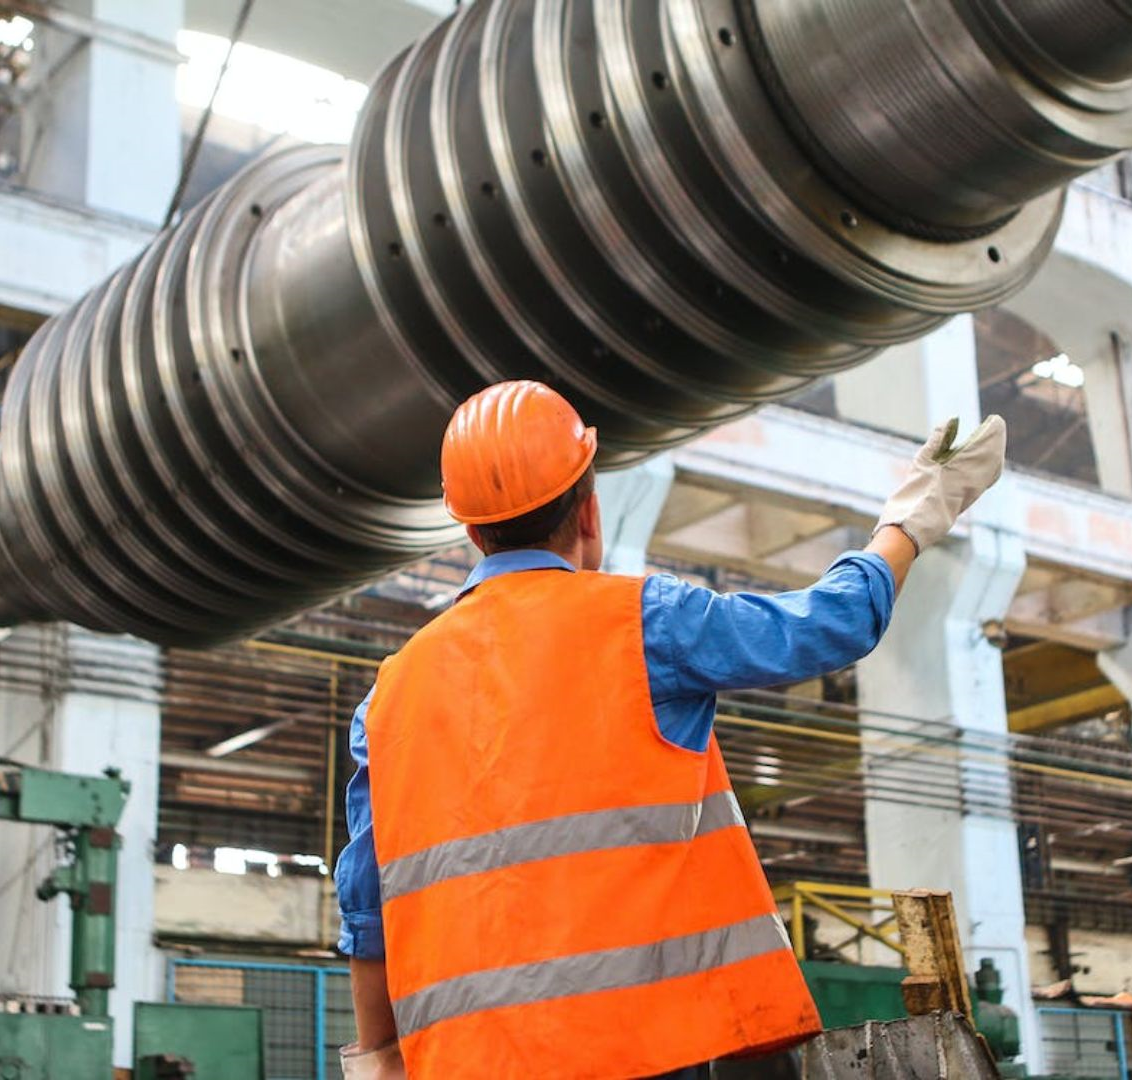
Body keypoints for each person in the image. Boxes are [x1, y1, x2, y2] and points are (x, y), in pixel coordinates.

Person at [334, 380, 1006, 1079]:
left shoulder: (388, 696)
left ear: (470, 531)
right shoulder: (645, 623)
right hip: (647, 1053)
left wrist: (381, 1057)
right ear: (590, 510)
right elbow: (828, 627)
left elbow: (365, 913)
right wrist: (917, 515)